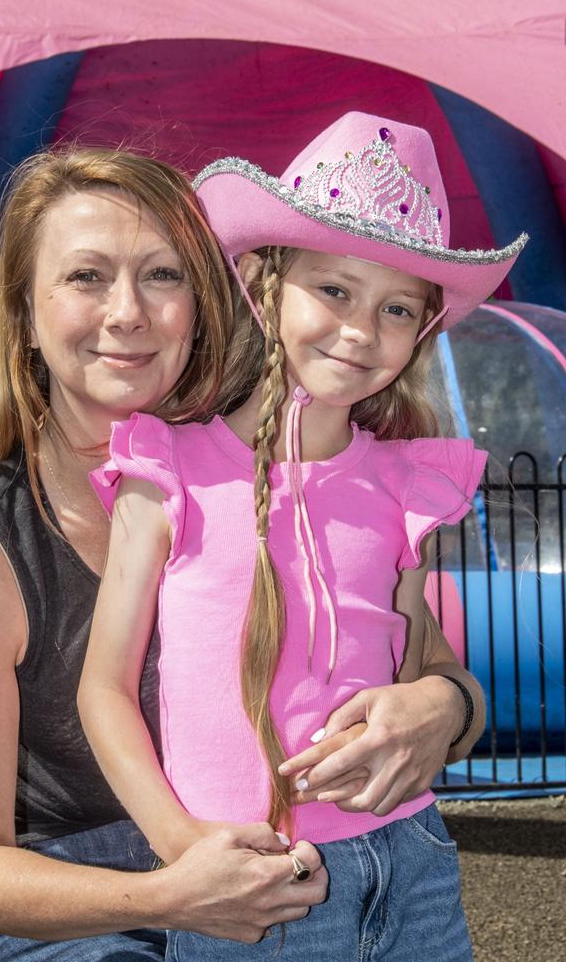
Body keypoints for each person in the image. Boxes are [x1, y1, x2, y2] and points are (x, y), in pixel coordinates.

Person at [77, 113, 527, 960]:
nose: (361, 330)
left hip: (414, 869)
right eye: (333, 290)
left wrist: (422, 701)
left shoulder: (406, 486)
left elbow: (421, 665)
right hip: (243, 880)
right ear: (261, 281)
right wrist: (183, 852)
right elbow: (103, 689)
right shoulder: (167, 465)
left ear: (426, 328)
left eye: (397, 307)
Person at [0, 146, 331, 961]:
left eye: (163, 275)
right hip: (54, 898)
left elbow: (427, 662)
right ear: (26, 316)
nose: (128, 311)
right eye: (87, 277)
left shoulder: (262, 479)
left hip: (236, 860)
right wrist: (174, 895)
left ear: (203, 305)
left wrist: (442, 708)